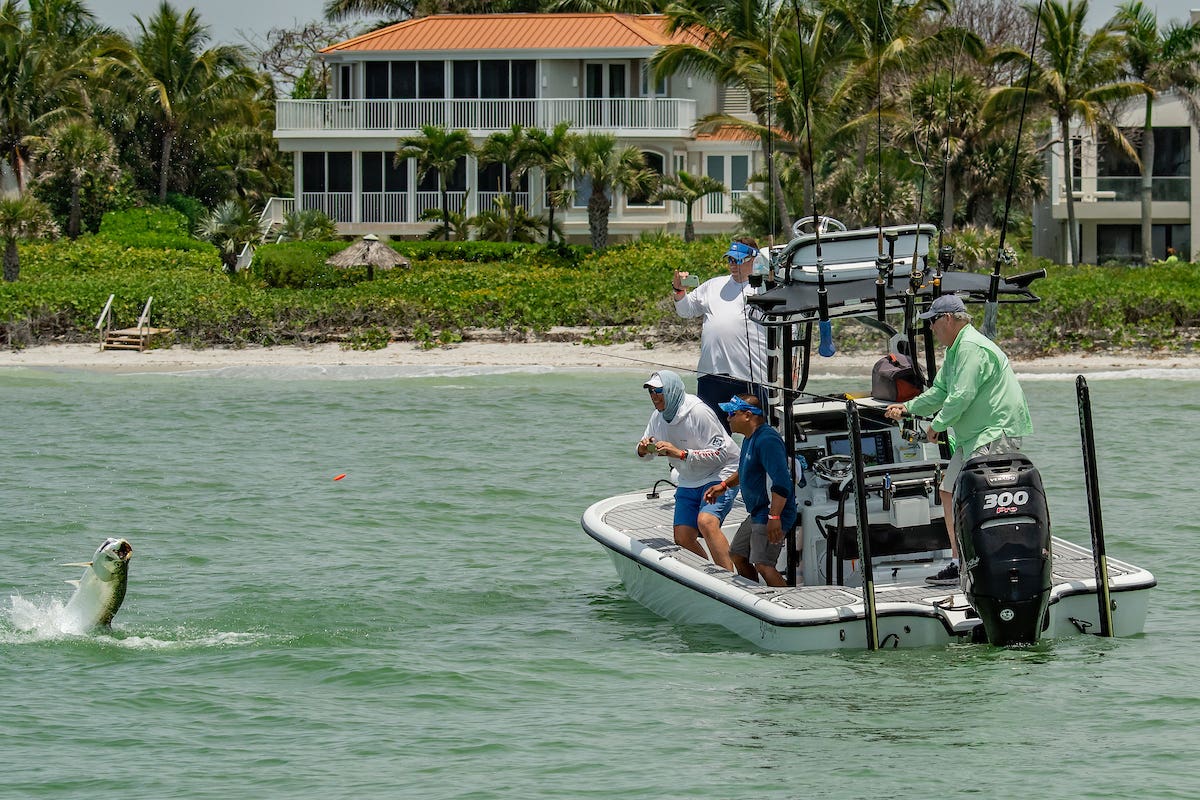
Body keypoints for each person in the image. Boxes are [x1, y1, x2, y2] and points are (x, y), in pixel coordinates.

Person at [883, 293, 1033, 585]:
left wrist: (937, 425)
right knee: (948, 492)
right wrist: (908, 408)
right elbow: (940, 393)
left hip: (994, 433)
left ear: (948, 319)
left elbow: (962, 395)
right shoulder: (955, 350)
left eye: (933, 323)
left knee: (981, 497)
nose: (932, 329)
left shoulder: (971, 347)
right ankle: (959, 561)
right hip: (971, 438)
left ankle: (989, 558)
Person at [637, 370, 741, 571]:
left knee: (706, 522)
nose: (654, 396)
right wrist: (642, 450)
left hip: (721, 473)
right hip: (689, 477)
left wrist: (682, 454)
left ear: (672, 390)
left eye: (658, 391)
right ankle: (711, 576)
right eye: (650, 392)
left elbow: (720, 454)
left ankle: (730, 579)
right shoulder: (658, 417)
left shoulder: (698, 412)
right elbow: (647, 453)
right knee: (682, 537)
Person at [672, 237, 768, 431]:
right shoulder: (713, 285)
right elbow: (686, 310)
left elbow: (786, 326)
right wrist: (679, 291)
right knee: (712, 434)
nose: (733, 264)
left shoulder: (765, 288)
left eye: (738, 259)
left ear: (754, 259)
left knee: (760, 432)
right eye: (730, 259)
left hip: (751, 376)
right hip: (712, 375)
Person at [703, 394, 796, 587]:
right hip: (757, 512)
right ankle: (754, 593)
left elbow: (782, 482)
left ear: (747, 415)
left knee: (763, 564)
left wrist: (774, 518)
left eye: (732, 414)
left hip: (772, 512)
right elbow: (745, 470)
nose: (728, 418)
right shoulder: (749, 438)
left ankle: (791, 605)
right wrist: (724, 486)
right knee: (737, 554)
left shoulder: (767, 440)